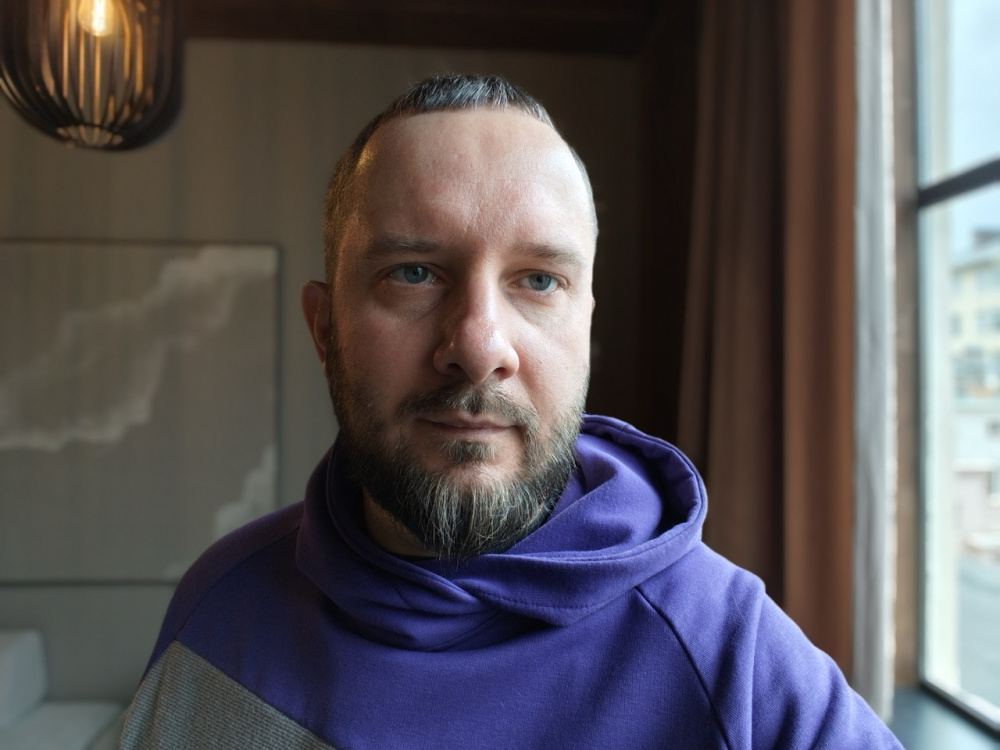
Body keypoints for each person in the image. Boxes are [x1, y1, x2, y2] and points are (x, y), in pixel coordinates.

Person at [120, 74, 902, 749]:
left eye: (538, 281)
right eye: (414, 272)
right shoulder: (218, 612)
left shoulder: (731, 655)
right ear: (325, 331)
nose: (478, 345)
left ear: (585, 329)